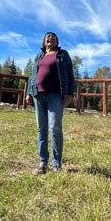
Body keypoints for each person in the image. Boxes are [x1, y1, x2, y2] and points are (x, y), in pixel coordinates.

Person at [26, 32, 75, 174]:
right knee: (41, 128)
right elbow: (32, 76)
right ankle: (42, 163)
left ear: (56, 41)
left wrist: (69, 94)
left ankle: (56, 164)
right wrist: (29, 92)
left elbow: (70, 74)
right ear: (43, 42)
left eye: (53, 38)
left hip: (56, 95)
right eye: (47, 37)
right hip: (38, 95)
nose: (50, 39)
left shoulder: (62, 54)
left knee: (54, 127)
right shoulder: (38, 56)